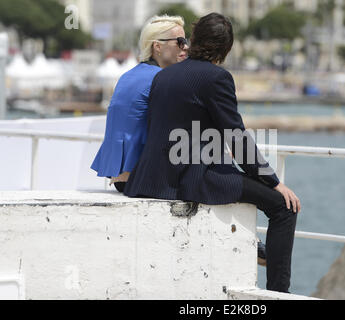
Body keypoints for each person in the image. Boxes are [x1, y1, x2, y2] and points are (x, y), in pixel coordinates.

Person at [124, 13, 301, 293]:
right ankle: (278, 294)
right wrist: (274, 182)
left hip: (150, 178)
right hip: (191, 179)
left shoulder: (163, 75)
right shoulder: (217, 78)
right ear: (226, 49)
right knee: (283, 207)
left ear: (193, 40)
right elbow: (237, 138)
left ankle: (261, 254)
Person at [91, 15, 189, 192]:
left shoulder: (127, 76)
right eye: (180, 42)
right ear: (157, 46)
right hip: (143, 179)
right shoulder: (161, 78)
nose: (186, 47)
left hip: (120, 177)